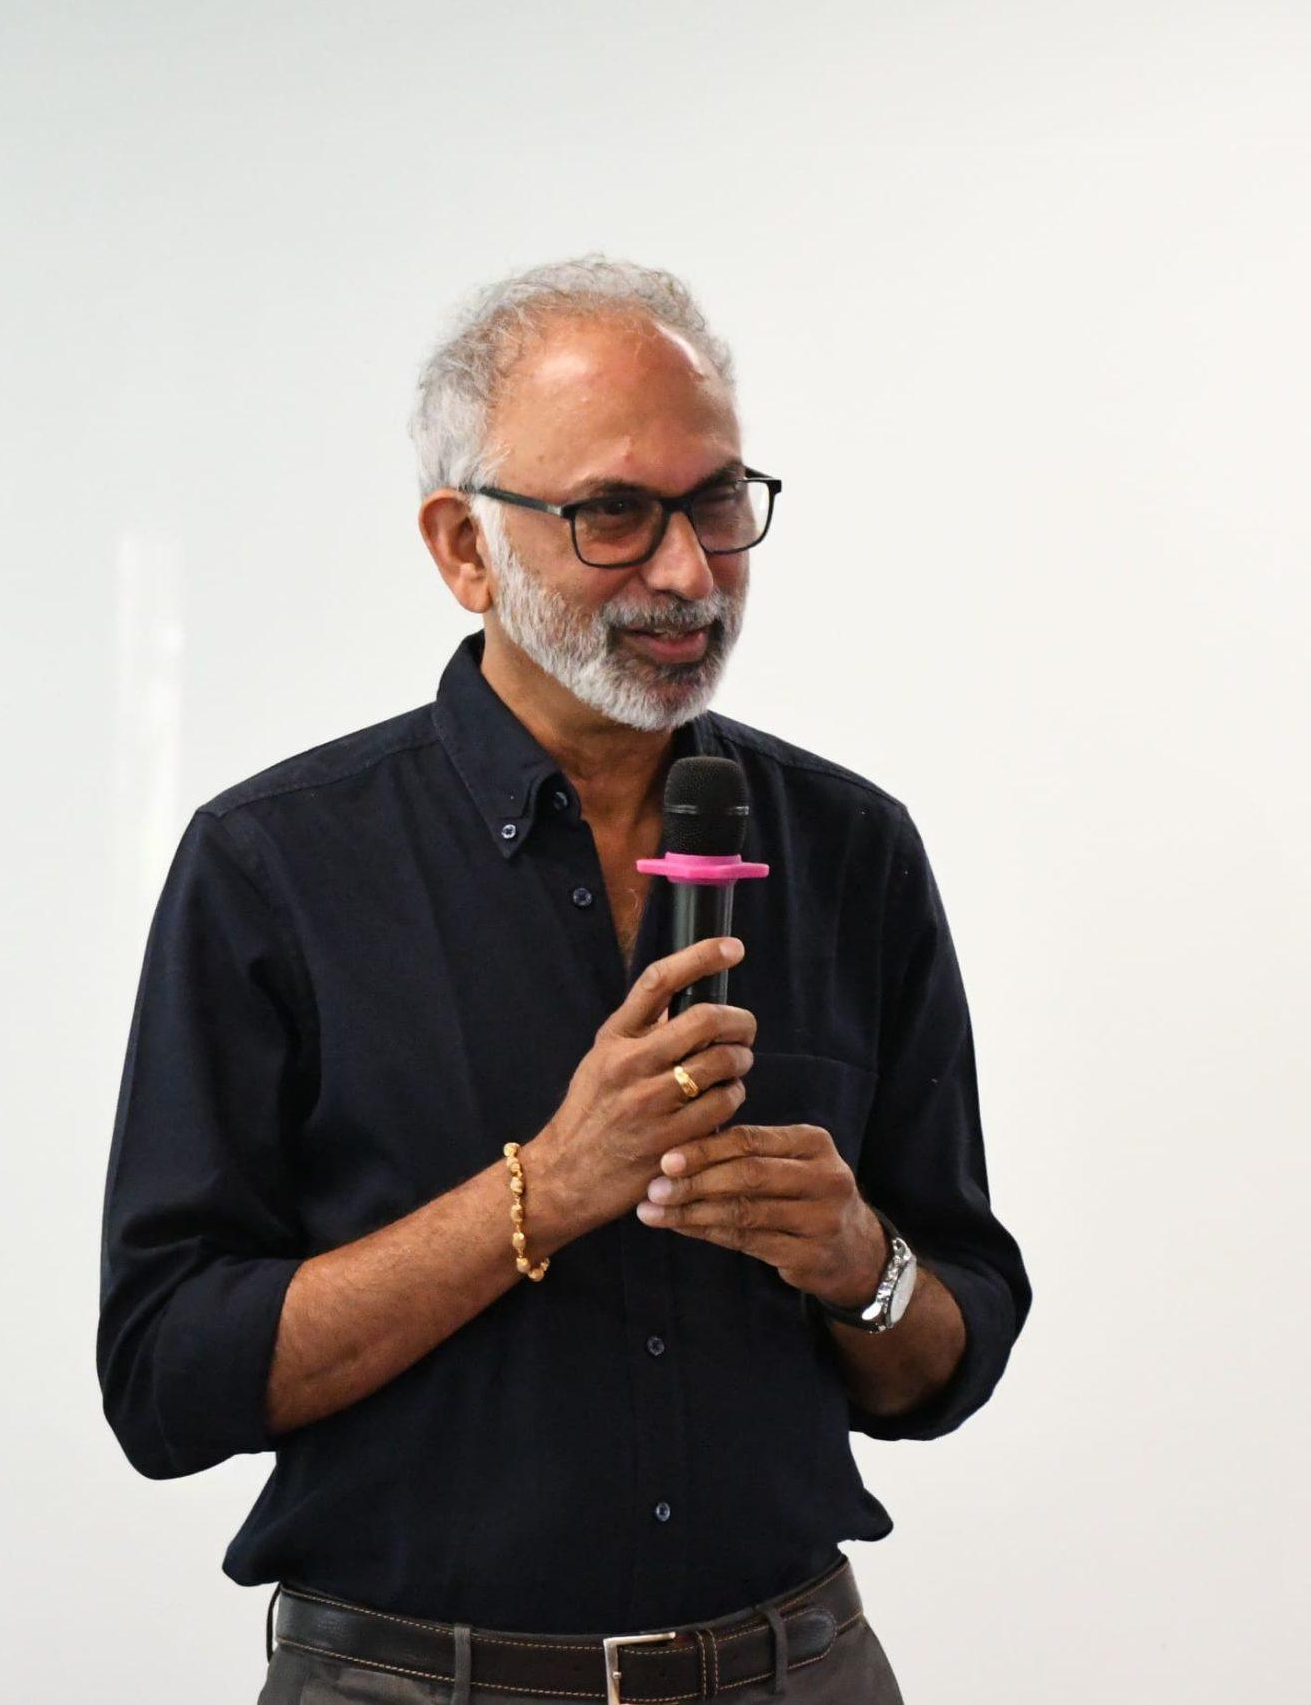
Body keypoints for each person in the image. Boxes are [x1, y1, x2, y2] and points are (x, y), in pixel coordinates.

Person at [95, 255, 1030, 1704]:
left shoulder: (856, 850)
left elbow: (948, 1358)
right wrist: (543, 1191)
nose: (689, 573)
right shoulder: (273, 865)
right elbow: (168, 1381)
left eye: (716, 502)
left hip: (800, 1668)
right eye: (614, 514)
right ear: (463, 548)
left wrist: (863, 1263)